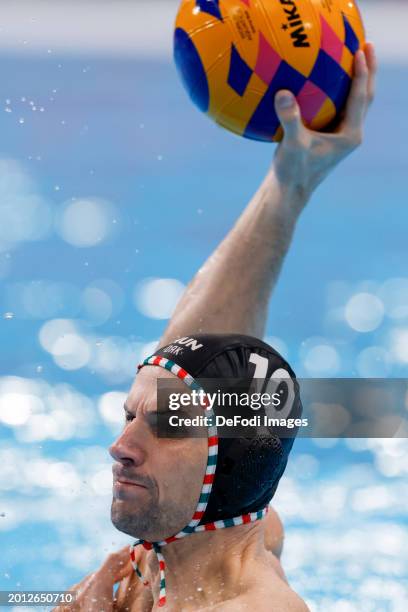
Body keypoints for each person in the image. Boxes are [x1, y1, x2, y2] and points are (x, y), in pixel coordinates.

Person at [54, 43, 376, 612]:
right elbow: (200, 363)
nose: (119, 448)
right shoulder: (185, 547)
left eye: (161, 427)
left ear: (224, 465)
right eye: (130, 416)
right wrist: (289, 187)